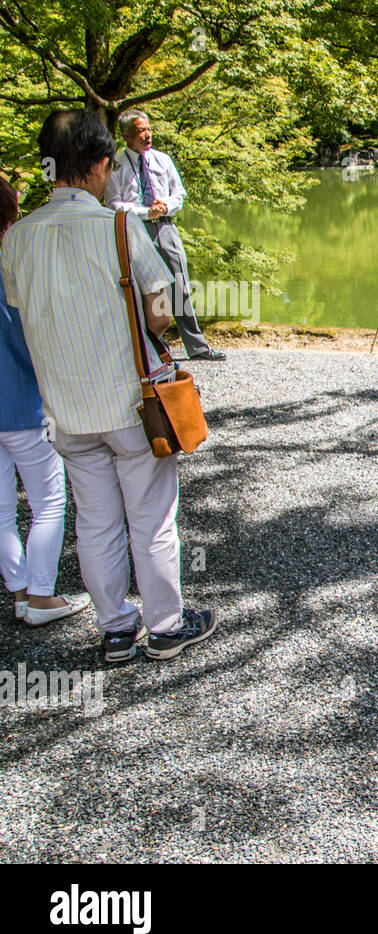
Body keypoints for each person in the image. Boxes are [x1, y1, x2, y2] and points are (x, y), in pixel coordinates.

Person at [1, 109, 217, 662]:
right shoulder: (120, 228)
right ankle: (166, 625)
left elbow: (27, 313)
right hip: (131, 403)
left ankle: (117, 629)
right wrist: (148, 321)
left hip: (66, 412)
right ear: (101, 164)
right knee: (150, 517)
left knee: (95, 522)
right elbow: (162, 310)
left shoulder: (17, 240)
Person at [0, 174, 91, 628]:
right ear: (11, 212)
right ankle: (40, 596)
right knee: (49, 501)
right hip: (22, 404)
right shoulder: (17, 259)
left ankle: (18, 591)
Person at [105, 109, 225, 361]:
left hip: (165, 226)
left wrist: (164, 207)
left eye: (148, 129)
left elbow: (178, 194)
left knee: (179, 284)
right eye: (140, 131)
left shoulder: (163, 160)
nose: (147, 135)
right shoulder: (116, 165)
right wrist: (144, 212)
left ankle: (198, 347)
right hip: (134, 229)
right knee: (140, 287)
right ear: (126, 135)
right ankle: (152, 347)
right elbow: (113, 204)